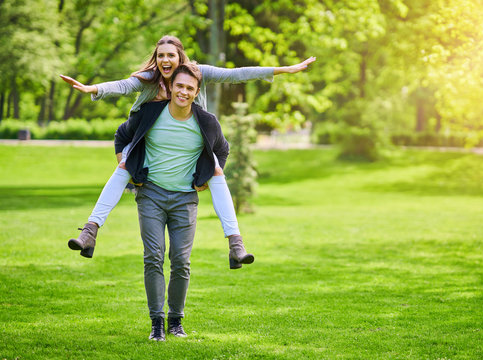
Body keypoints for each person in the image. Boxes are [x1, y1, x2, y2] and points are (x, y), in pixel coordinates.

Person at [63, 35, 316, 268]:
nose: (165, 60)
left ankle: (236, 244)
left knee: (217, 172)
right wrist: (92, 89)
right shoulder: (150, 79)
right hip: (145, 140)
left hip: (193, 139)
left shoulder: (197, 74)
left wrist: (282, 70)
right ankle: (90, 231)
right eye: (160, 55)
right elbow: (123, 86)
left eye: (170, 55)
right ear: (156, 59)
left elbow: (236, 74)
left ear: (180, 57)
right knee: (122, 168)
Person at [115, 63, 223, 340]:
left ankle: (176, 320)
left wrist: (206, 176)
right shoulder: (151, 112)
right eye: (180, 86)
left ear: (197, 91)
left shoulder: (206, 121)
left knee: (181, 261)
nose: (183, 92)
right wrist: (127, 170)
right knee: (153, 257)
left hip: (185, 200)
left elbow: (222, 149)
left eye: (189, 88)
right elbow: (122, 135)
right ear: (171, 86)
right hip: (150, 194)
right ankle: (156, 323)